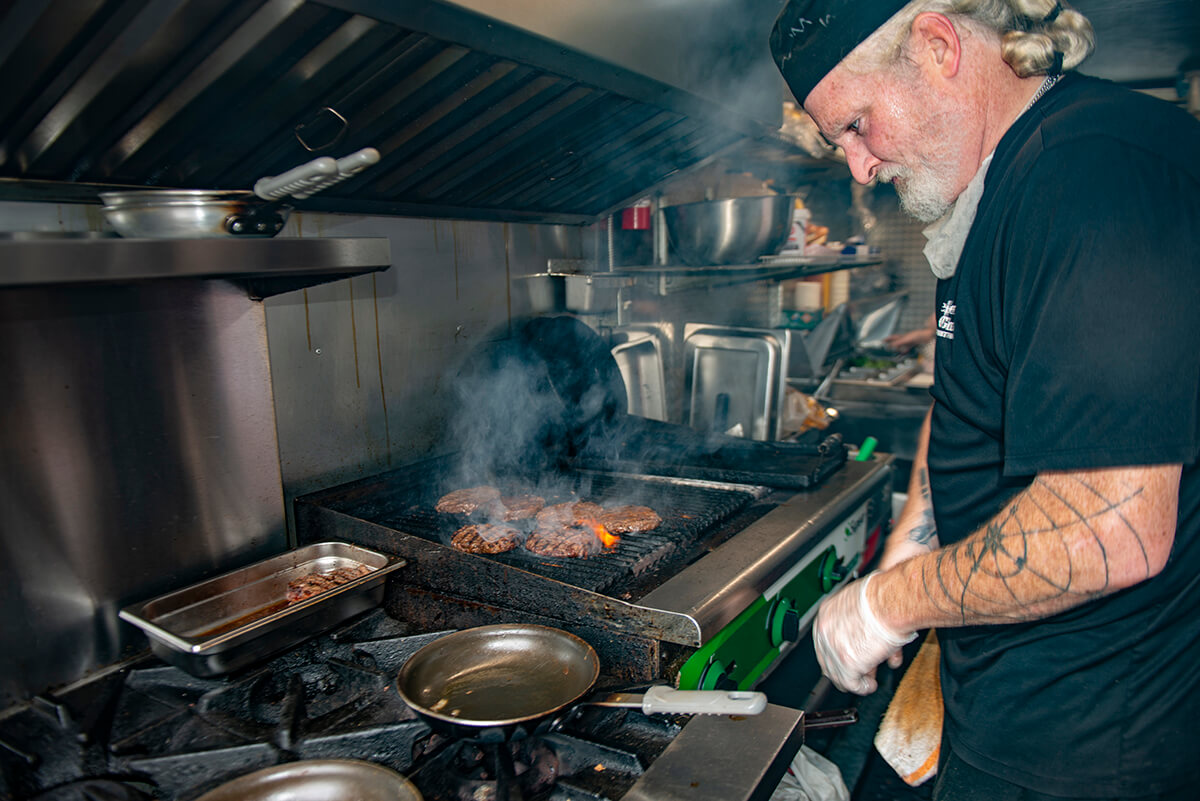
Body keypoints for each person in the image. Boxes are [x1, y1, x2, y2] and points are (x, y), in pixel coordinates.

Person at [769, 1, 1200, 799]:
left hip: (1093, 745)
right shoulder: (991, 184)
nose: (859, 167)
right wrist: (911, 534)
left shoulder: (1088, 174)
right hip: (1014, 701)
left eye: (859, 124)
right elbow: (972, 381)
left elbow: (1112, 529)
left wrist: (887, 600)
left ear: (937, 45)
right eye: (842, 143)